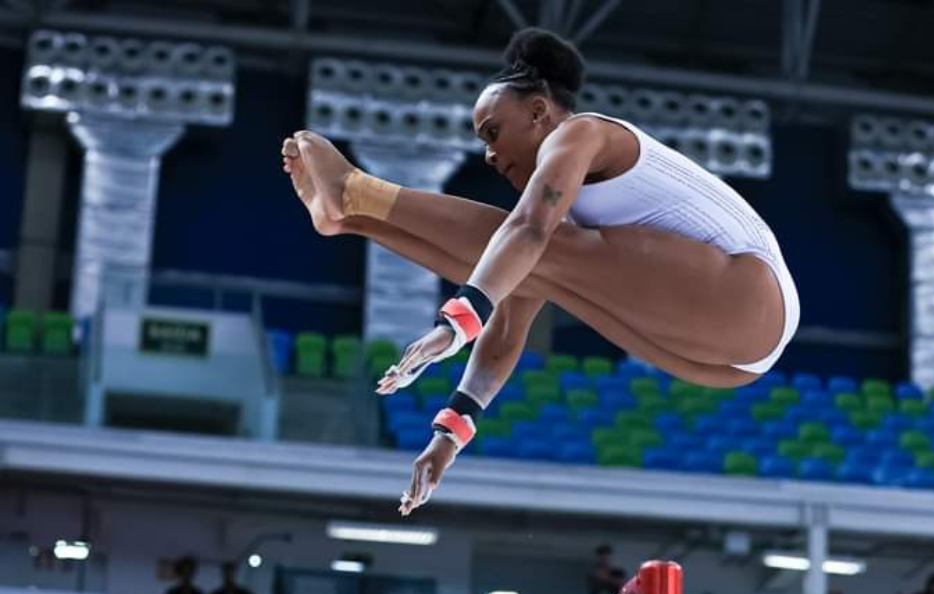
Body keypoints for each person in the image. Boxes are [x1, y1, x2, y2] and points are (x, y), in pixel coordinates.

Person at [281, 27, 799, 517]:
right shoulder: (565, 216)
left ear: (537, 111)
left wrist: (453, 327)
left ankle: (359, 194)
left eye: (492, 131)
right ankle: (349, 218)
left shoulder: (581, 134)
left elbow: (528, 229)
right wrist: (452, 431)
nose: (487, 153)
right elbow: (507, 324)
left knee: (535, 247)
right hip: (730, 361)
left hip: (751, 295)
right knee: (527, 272)